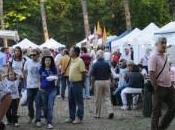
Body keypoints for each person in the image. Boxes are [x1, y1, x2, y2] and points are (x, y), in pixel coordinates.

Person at [149, 37, 175, 130]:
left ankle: (162, 127)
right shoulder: (153, 56)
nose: (164, 45)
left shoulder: (165, 56)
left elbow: (166, 70)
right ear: (157, 44)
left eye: (165, 43)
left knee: (173, 108)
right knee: (156, 112)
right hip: (159, 87)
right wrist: (155, 87)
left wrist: (171, 83)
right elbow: (151, 73)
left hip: (169, 86)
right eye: (162, 43)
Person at [91, 50, 114, 119]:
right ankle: (110, 111)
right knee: (107, 98)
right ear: (103, 56)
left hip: (98, 82)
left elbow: (93, 77)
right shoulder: (107, 64)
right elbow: (110, 74)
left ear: (97, 56)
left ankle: (97, 114)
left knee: (98, 99)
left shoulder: (95, 64)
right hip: (107, 81)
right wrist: (112, 81)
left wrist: (92, 85)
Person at [35, 56, 57, 129]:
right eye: (46, 60)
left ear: (51, 62)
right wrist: (39, 87)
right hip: (43, 90)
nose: (48, 62)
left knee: (50, 106)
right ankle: (46, 118)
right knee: (45, 106)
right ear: (44, 61)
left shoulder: (54, 69)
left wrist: (55, 79)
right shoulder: (41, 69)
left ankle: (49, 122)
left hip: (52, 90)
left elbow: (56, 78)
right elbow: (38, 79)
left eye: (49, 60)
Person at [65, 46, 86, 124]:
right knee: (71, 101)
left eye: (71, 51)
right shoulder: (72, 60)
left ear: (75, 53)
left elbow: (83, 72)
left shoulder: (80, 61)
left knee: (79, 101)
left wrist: (82, 83)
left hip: (77, 83)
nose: (69, 52)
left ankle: (79, 117)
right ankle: (71, 117)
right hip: (71, 83)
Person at [23, 49, 41, 123]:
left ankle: (38, 119)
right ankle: (31, 116)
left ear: (38, 55)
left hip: (38, 86)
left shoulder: (41, 63)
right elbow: (24, 71)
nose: (32, 56)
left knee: (38, 103)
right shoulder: (28, 62)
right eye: (31, 55)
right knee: (29, 103)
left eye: (34, 55)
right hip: (29, 86)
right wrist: (26, 81)